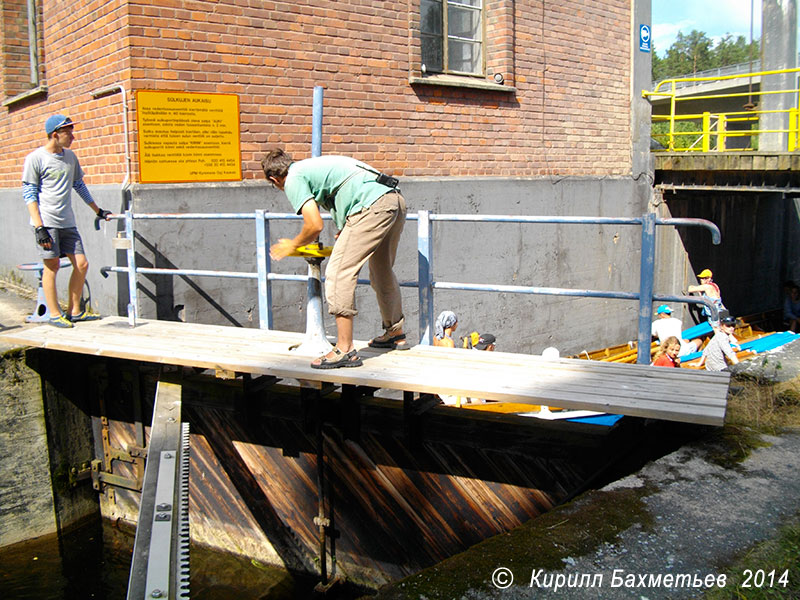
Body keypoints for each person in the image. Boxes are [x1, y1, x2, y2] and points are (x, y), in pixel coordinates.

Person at [261, 148, 406, 369]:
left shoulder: (293, 179)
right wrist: (345, 227)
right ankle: (395, 332)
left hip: (370, 206)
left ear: (274, 179)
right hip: (393, 200)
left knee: (339, 272)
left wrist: (292, 244)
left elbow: (314, 225)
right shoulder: (310, 167)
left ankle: (344, 350)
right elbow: (345, 189)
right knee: (381, 270)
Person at [22, 114, 111, 328]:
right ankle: (54, 314)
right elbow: (29, 193)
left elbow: (78, 185)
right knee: (51, 266)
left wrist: (97, 210)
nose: (73, 137)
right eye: (68, 132)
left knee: (82, 264)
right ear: (55, 135)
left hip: (67, 221)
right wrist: (39, 227)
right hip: (47, 223)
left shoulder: (70, 157)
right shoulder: (36, 158)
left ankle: (75, 311)